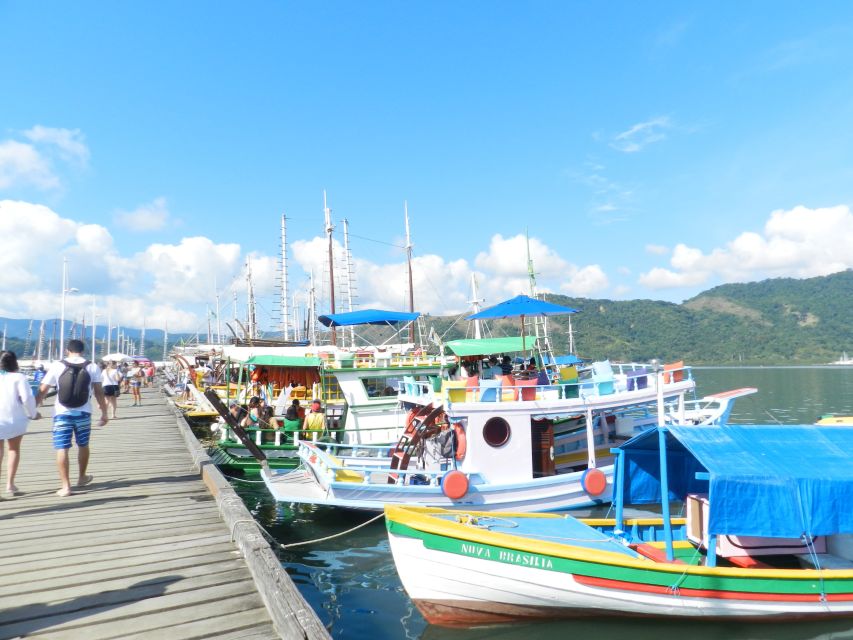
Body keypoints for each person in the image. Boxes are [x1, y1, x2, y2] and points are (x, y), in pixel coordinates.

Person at [36, 339, 108, 497]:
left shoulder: (57, 365)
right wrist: (104, 413)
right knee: (83, 445)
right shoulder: (92, 366)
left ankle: (65, 486)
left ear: (67, 350)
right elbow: (98, 392)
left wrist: (33, 408)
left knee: (62, 448)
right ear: (82, 351)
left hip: (62, 413)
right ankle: (82, 477)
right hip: (84, 412)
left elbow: (42, 389)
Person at [0, 351, 40, 496]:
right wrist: (34, 414)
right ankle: (10, 484)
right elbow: (27, 398)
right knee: (13, 449)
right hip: (14, 419)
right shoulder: (19, 377)